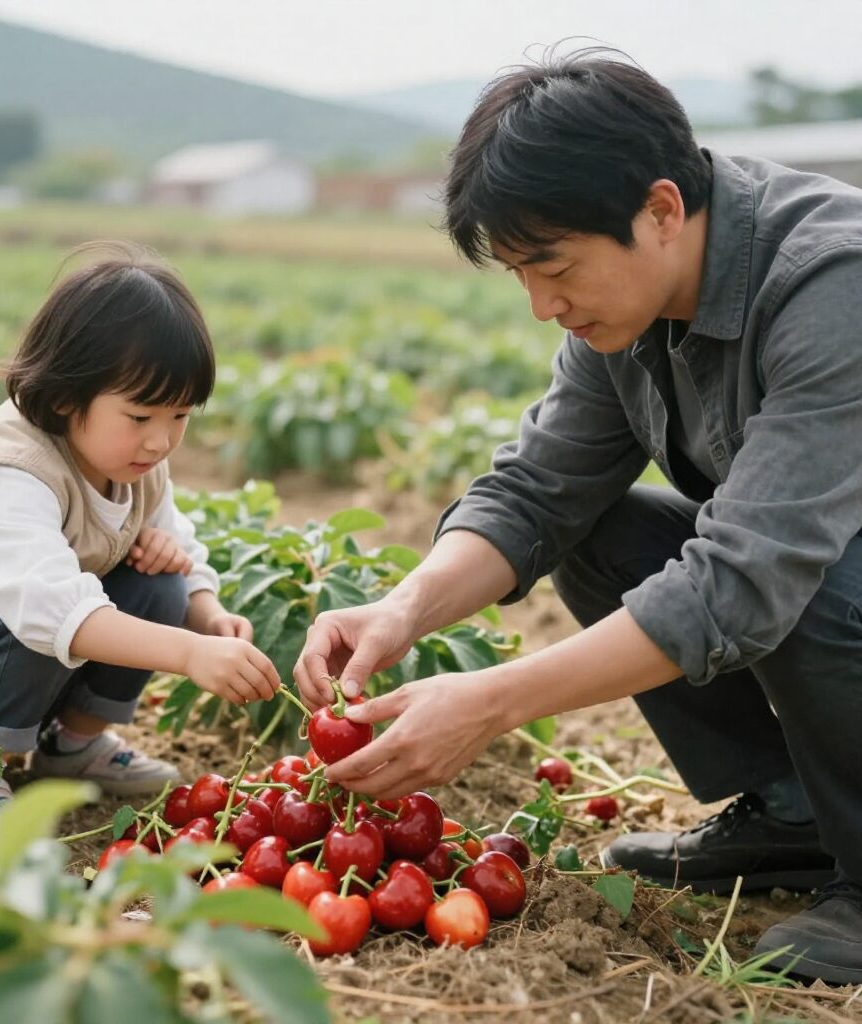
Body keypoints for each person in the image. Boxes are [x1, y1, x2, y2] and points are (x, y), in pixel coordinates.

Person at [294, 49, 862, 984]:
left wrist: (491, 701)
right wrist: (404, 608)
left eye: (552, 266)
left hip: (828, 576)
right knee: (605, 536)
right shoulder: (624, 312)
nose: (541, 305)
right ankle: (799, 812)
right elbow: (537, 493)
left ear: (663, 210)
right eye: (519, 272)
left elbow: (748, 576)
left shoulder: (828, 281)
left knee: (792, 585)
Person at [0, 243, 280, 817]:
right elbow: (48, 609)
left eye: (180, 416)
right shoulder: (3, 470)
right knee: (41, 613)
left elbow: (183, 546)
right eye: (141, 417)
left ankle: (73, 746)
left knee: (162, 583)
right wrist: (192, 654)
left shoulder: (134, 464)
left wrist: (210, 616)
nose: (161, 440)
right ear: (69, 396)